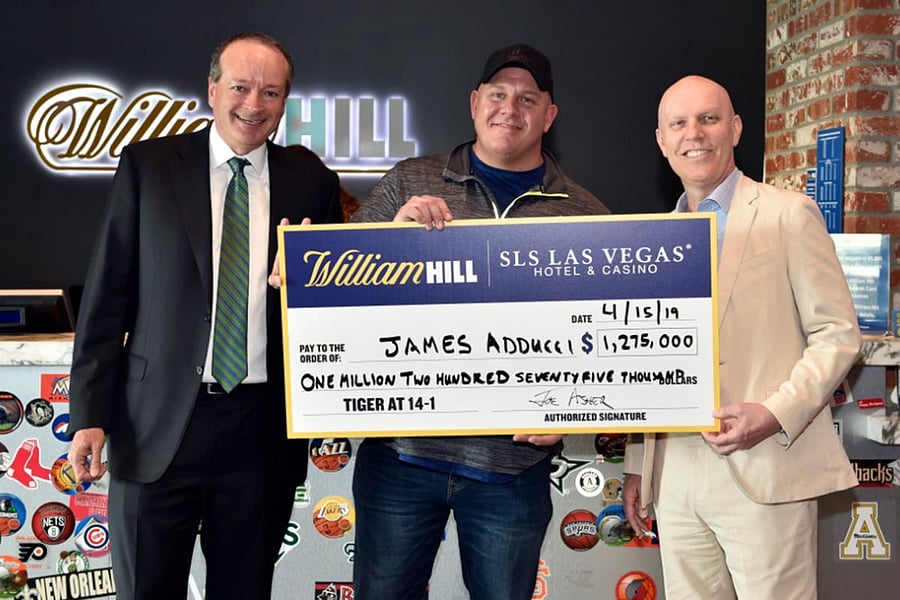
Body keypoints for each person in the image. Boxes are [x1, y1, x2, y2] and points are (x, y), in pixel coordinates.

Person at [66, 32, 343, 599]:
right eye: (240, 87)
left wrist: (316, 279)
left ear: (285, 102)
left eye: (271, 92)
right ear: (212, 89)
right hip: (156, 422)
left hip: (260, 430)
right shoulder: (149, 166)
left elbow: (335, 310)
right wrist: (90, 414)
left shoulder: (311, 180)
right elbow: (105, 300)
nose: (254, 104)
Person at [350, 44, 610, 600]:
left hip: (510, 470)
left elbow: (606, 343)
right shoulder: (409, 181)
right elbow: (344, 291)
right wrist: (392, 238)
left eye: (527, 98)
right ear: (474, 102)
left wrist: (571, 409)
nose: (509, 109)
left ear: (549, 115)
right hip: (402, 457)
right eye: (497, 94)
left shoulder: (583, 212)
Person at [622, 75, 861, 600]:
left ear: (735, 128)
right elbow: (646, 356)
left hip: (767, 465)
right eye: (678, 124)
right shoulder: (652, 240)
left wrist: (774, 413)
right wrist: (641, 464)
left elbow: (838, 334)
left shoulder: (788, 213)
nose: (695, 134)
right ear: (661, 141)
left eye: (709, 119)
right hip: (677, 475)